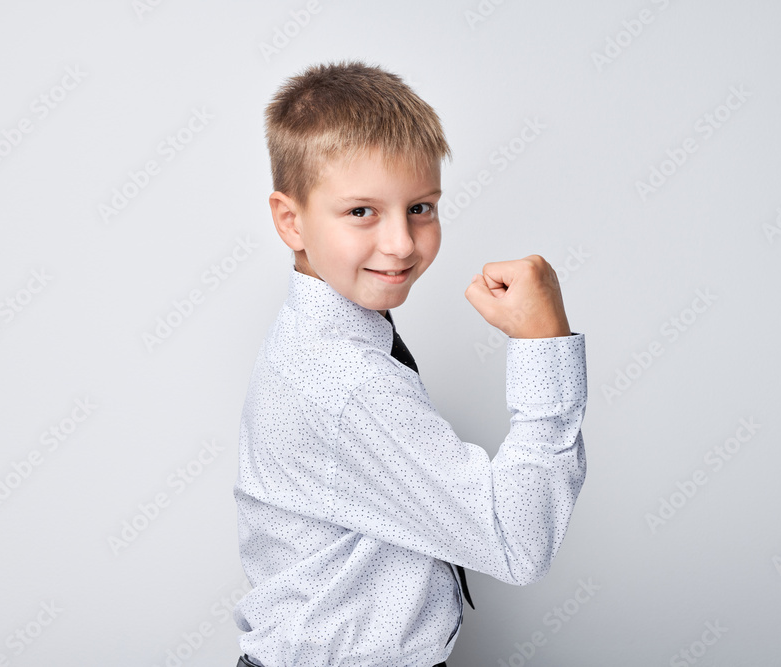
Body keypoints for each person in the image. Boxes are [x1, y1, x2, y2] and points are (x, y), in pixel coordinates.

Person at [232, 59, 588, 667]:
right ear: (291, 220)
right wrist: (543, 347)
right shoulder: (345, 380)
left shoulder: (326, 341)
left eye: (420, 207)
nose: (401, 243)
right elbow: (518, 543)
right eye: (361, 212)